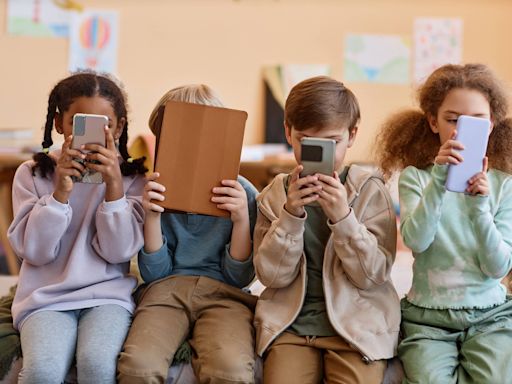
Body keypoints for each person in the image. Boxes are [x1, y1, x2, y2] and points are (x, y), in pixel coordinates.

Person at [253, 76, 400, 384]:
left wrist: (344, 217)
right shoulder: (273, 195)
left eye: (332, 142)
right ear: (288, 132)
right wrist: (291, 215)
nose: (321, 153)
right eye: (306, 141)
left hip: (357, 328)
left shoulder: (371, 190)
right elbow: (272, 276)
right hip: (291, 327)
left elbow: (372, 275)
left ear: (352, 134)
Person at [375, 63, 512, 383]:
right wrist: (439, 180)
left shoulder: (503, 185)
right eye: (452, 120)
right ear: (432, 122)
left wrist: (479, 208)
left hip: (491, 316)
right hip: (428, 319)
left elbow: (498, 267)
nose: (461, 130)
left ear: (491, 124)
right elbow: (416, 242)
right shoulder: (416, 178)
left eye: (476, 121)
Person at [7, 71, 147, 384]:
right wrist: (60, 193)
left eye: (105, 125)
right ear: (59, 124)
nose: (93, 135)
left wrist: (114, 188)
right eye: (80, 123)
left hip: (108, 297)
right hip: (47, 297)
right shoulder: (31, 174)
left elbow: (119, 251)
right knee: (42, 372)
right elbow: (35, 252)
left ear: (119, 127)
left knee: (97, 367)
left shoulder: (133, 179)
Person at [117, 84, 259, 383]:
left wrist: (241, 220)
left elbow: (240, 278)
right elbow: (155, 274)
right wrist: (152, 217)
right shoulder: (151, 190)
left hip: (226, 295)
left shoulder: (242, 192)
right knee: (138, 366)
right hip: (165, 290)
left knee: (230, 371)